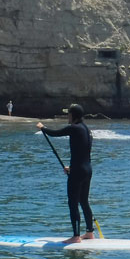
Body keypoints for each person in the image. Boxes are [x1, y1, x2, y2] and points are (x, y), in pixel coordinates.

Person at [36, 104, 94, 244]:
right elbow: (82, 152)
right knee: (84, 201)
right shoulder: (87, 129)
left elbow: (54, 133)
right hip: (87, 169)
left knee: (73, 202)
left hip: (78, 171)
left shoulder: (74, 128)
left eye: (68, 114)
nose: (67, 116)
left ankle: (75, 237)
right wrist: (72, 167)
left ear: (73, 115)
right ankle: (90, 232)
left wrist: (42, 127)